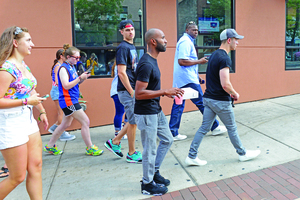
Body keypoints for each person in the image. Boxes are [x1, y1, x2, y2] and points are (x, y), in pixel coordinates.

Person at [185, 29, 261, 166]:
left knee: (203, 128)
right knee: (232, 128)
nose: (238, 43)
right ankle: (242, 153)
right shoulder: (225, 58)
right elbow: (225, 84)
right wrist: (234, 93)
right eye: (236, 40)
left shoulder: (214, 55)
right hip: (220, 101)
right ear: (229, 40)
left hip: (208, 99)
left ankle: (191, 155)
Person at [0, 26, 48, 199]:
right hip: (10, 122)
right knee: (17, 176)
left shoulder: (22, 65)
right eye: (28, 40)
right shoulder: (6, 69)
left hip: (27, 120)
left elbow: (30, 90)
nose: (32, 44)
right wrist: (27, 102)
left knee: (36, 166)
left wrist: (41, 110)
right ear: (15, 43)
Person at [135, 28, 184, 196]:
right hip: (146, 112)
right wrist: (164, 92)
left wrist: (166, 93)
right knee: (150, 149)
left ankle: (153, 172)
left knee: (167, 139)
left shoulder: (152, 60)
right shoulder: (146, 64)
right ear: (153, 42)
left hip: (155, 109)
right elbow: (139, 93)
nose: (166, 41)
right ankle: (147, 184)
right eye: (163, 38)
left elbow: (150, 90)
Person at [169, 21, 227, 141]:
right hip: (187, 79)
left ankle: (172, 132)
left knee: (178, 105)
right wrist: (199, 62)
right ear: (187, 30)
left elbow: (186, 62)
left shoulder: (186, 41)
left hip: (184, 78)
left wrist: (197, 76)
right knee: (203, 102)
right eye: (193, 30)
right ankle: (214, 127)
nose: (196, 32)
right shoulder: (185, 42)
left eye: (196, 30)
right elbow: (182, 61)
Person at [44, 44, 103, 156]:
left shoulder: (71, 67)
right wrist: (80, 78)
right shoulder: (63, 68)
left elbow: (74, 83)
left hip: (71, 99)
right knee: (85, 121)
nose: (77, 60)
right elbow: (66, 85)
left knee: (65, 125)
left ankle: (50, 146)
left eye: (79, 58)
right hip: (68, 101)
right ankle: (90, 147)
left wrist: (82, 79)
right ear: (67, 57)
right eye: (75, 57)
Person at [104, 20, 142, 163]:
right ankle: (131, 153)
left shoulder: (131, 47)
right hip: (126, 90)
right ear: (121, 32)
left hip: (132, 88)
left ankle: (115, 141)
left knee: (134, 120)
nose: (130, 32)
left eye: (132, 29)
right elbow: (121, 72)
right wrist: (131, 91)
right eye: (127, 30)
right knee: (132, 121)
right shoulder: (123, 48)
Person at [48, 49, 76, 141]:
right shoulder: (58, 66)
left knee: (64, 113)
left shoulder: (60, 66)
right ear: (61, 56)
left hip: (58, 91)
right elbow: (56, 81)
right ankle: (61, 133)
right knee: (62, 113)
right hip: (57, 91)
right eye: (66, 55)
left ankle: (54, 128)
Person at [110, 60, 127, 139]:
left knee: (127, 111)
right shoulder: (120, 67)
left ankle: (124, 130)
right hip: (118, 91)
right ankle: (118, 133)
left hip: (118, 91)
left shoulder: (117, 65)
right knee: (120, 112)